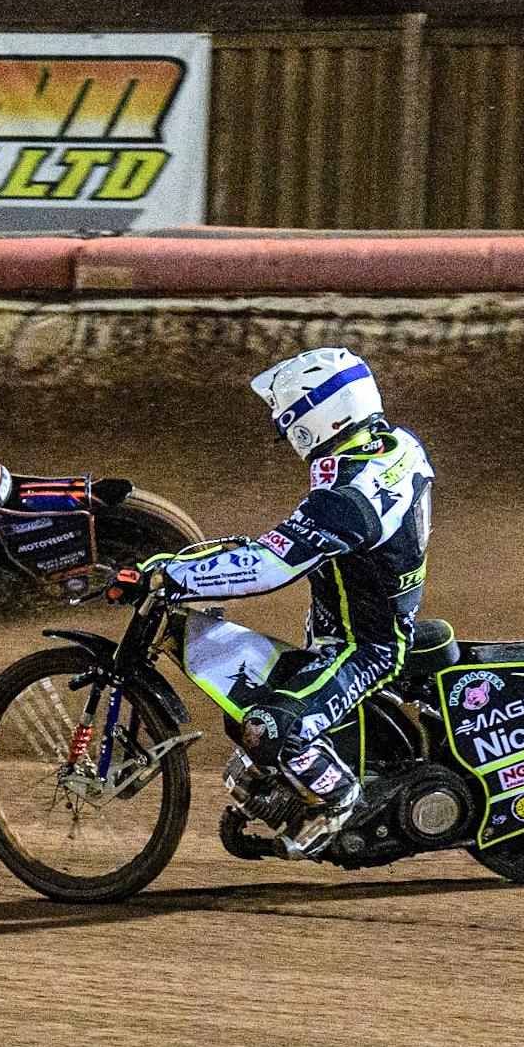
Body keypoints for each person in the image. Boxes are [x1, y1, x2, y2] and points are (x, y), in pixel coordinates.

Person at [110, 347, 434, 855]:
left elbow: (269, 567)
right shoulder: (390, 447)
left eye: (288, 423)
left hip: (361, 650)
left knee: (266, 730)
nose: (286, 437)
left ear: (315, 419)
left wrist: (174, 577)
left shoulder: (349, 498)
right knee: (243, 707)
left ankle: (340, 803)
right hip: (349, 628)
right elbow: (285, 543)